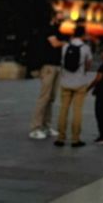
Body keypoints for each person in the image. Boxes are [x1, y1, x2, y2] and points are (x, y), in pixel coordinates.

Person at [29, 8, 66, 140]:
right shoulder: (48, 29)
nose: (62, 19)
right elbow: (55, 44)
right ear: (54, 17)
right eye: (60, 16)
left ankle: (47, 125)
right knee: (44, 97)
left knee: (51, 97)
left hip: (56, 66)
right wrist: (66, 43)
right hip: (48, 66)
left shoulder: (57, 30)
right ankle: (35, 127)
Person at [55, 24, 92, 148]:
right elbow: (88, 65)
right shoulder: (85, 48)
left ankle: (60, 137)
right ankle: (75, 139)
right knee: (77, 111)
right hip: (79, 83)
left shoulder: (65, 46)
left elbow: (62, 62)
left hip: (65, 81)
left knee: (63, 110)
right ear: (83, 35)